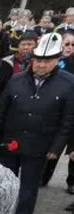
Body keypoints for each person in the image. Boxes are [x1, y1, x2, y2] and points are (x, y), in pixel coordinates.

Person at [0, 33, 74, 214]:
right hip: (10, 142)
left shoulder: (69, 84)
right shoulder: (16, 80)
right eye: (38, 60)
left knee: (29, 186)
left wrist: (56, 147)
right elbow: (0, 112)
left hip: (39, 145)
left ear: (57, 61)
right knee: (4, 182)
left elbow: (67, 120)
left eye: (47, 61)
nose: (41, 65)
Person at [42, 30, 74, 191]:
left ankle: (70, 181)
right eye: (66, 44)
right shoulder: (50, 60)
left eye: (73, 45)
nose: (69, 48)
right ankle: (42, 176)